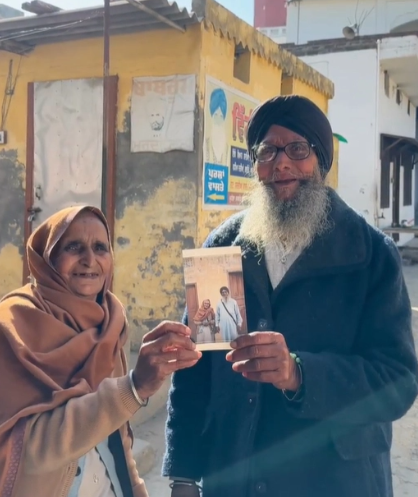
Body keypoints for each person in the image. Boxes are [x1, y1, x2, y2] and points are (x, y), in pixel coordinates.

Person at [163, 95, 418, 497]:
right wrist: (183, 474)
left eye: (298, 149)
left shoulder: (370, 256)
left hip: (336, 482)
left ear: (320, 161)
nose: (281, 163)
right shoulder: (222, 248)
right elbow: (195, 373)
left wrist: (300, 373)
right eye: (267, 151)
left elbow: (398, 383)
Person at [0, 205, 201, 497]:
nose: (89, 260)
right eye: (73, 247)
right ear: (47, 258)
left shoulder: (109, 321)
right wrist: (132, 389)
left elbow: (116, 437)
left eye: (100, 248)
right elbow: (28, 451)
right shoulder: (14, 326)